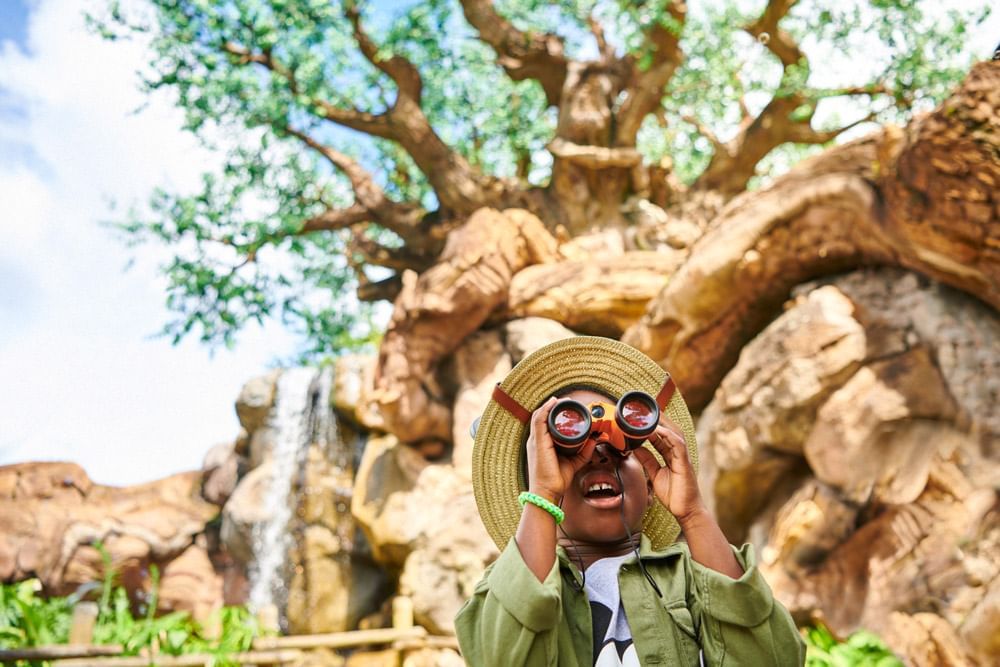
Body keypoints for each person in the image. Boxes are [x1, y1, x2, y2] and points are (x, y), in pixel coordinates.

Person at [455, 336, 805, 666]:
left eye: (619, 448)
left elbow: (775, 658)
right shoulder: (504, 590)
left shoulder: (695, 577)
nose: (598, 456)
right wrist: (544, 492)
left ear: (651, 487)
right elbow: (499, 657)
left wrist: (694, 513)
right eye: (570, 450)